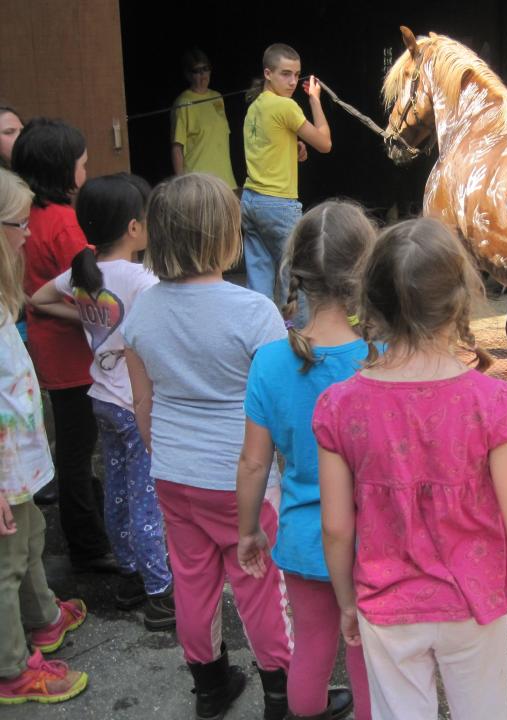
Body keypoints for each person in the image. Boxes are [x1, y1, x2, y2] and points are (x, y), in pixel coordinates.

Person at [313, 217, 507, 720]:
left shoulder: (340, 406)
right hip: (473, 601)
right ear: (460, 300)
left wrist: (346, 602)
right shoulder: (492, 401)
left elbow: (336, 528)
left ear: (372, 303)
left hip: (386, 604)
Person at [122, 173, 292, 720]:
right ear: (225, 236)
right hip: (242, 476)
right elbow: (278, 404)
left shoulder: (142, 312)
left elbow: (141, 403)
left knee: (192, 583)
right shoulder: (253, 312)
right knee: (260, 585)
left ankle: (210, 687)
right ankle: (280, 693)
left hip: (173, 471)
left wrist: (166, 455)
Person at [237, 200, 377, 720]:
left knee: (312, 651)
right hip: (373, 539)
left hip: (300, 538)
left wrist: (248, 529)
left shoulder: (270, 360)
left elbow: (254, 465)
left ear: (294, 272)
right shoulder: (381, 356)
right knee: (366, 655)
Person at [30, 173, 175, 629]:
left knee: (115, 492)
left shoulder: (83, 270)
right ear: (134, 227)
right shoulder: (141, 278)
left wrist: (88, 318)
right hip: (136, 405)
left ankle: (129, 578)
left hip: (102, 398)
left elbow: (37, 298)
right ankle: (160, 594)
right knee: (146, 499)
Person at [0, 167, 88, 706]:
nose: (28, 233)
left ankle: (42, 617)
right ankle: (12, 668)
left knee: (30, 540)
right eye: (17, 222)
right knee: (5, 565)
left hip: (18, 462)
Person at [12, 118, 116, 572]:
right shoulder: (64, 224)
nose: (86, 170)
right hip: (73, 354)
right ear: (63, 170)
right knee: (76, 451)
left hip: (46, 348)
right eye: (82, 163)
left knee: (73, 445)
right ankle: (88, 545)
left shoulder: (24, 215)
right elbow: (96, 296)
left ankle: (88, 522)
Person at [241, 43, 332, 311]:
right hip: (279, 204)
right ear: (267, 74)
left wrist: (294, 144)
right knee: (296, 281)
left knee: (259, 284)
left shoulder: (255, 107)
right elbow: (325, 143)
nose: (293, 81)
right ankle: (300, 341)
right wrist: (315, 99)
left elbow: (267, 144)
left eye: (297, 74)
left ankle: (263, 343)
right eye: (285, 74)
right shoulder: (286, 106)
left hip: (250, 201)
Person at [171, 49, 238, 190]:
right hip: (198, 184)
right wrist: (181, 186)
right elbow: (177, 147)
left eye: (205, 69)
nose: (203, 75)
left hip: (225, 181)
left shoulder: (217, 97)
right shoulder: (183, 102)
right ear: (187, 75)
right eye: (197, 71)